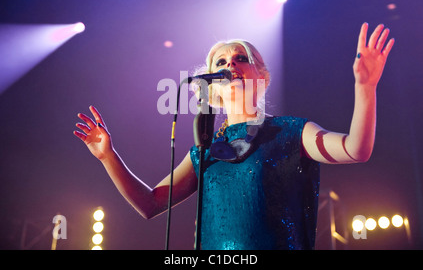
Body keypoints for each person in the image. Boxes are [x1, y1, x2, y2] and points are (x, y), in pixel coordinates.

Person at [74, 23, 394, 249]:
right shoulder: (206, 151)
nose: (232, 65)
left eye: (241, 58)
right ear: (212, 85)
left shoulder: (290, 131)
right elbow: (149, 204)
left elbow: (355, 149)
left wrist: (365, 88)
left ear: (263, 77)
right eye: (222, 62)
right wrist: (108, 157)